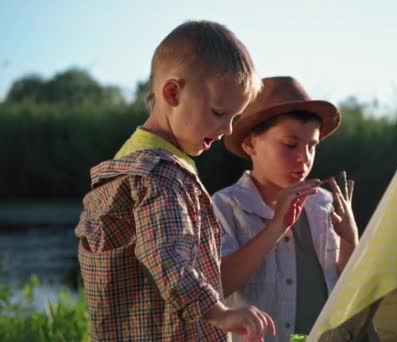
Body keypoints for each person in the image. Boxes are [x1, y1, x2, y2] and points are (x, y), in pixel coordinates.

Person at [75, 20, 275, 341]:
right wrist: (220, 313)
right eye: (218, 112)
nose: (226, 129)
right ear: (172, 92)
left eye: (234, 118)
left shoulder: (129, 162)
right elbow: (167, 258)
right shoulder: (160, 176)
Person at [213, 76, 359, 341]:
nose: (304, 158)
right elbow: (216, 285)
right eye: (290, 145)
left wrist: (350, 240)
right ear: (250, 144)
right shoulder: (225, 206)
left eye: (312, 146)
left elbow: (346, 285)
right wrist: (276, 227)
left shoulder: (323, 203)